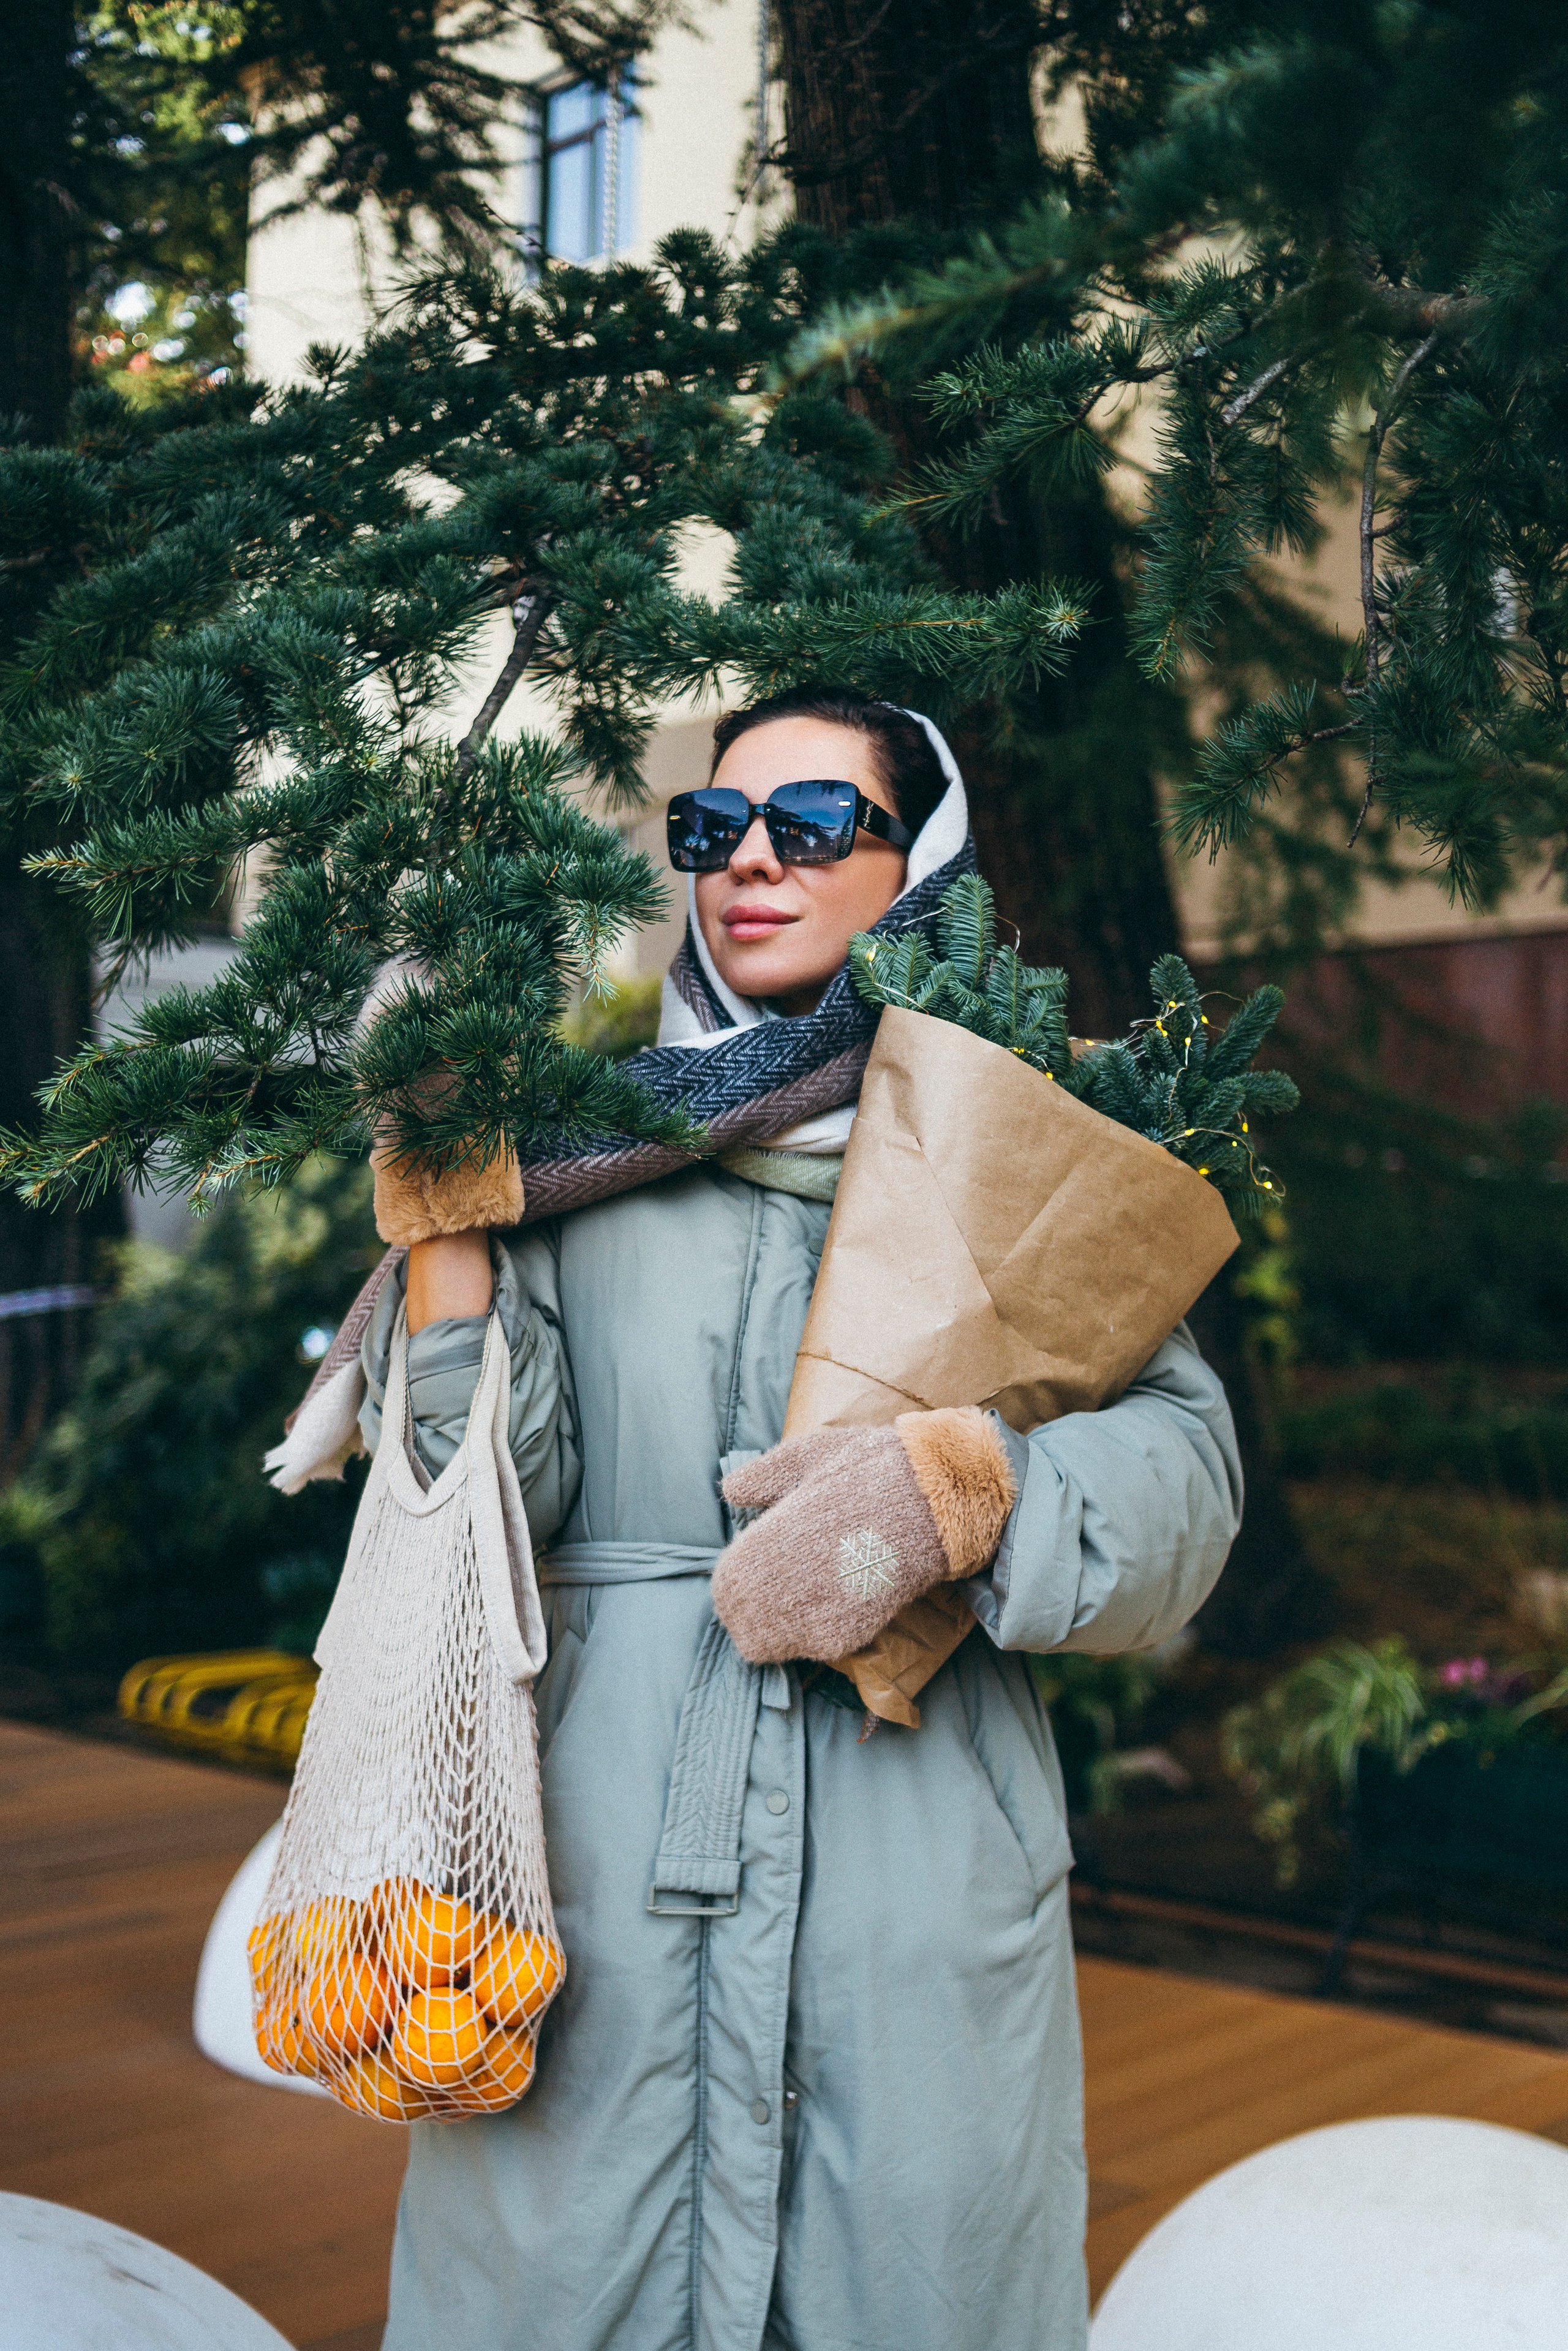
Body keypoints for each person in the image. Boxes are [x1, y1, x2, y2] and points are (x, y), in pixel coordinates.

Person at [359, 690, 1242, 2350]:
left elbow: (1189, 1484)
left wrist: (971, 1493)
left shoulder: (1022, 1159)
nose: (749, 862)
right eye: (712, 829)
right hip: (601, 1852)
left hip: (916, 1871)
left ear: (925, 865)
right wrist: (451, 1239)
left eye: (814, 826)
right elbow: (476, 1513)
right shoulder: (577, 1153)